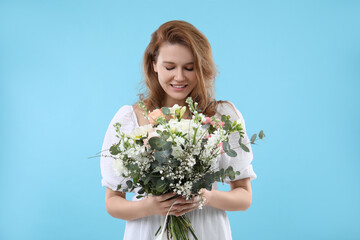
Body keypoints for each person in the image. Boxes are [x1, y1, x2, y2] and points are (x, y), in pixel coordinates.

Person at [100, 20, 257, 240]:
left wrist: (205, 198)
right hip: (148, 232)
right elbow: (112, 201)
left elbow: (244, 197)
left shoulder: (222, 116)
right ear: (154, 64)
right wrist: (150, 206)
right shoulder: (129, 119)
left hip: (206, 231)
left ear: (201, 68)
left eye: (189, 68)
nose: (180, 77)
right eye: (170, 67)